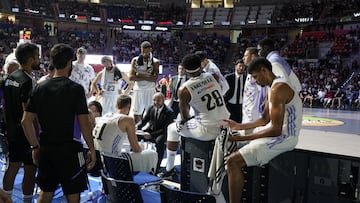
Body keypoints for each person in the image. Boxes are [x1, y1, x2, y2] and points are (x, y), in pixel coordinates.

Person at [21, 43, 96, 203]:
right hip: (72, 151)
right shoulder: (76, 89)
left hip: (47, 149)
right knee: (73, 195)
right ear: (70, 62)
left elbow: (26, 122)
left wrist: (35, 146)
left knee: (45, 192)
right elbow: (84, 124)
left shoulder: (39, 88)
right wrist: (91, 149)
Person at [224, 58, 303, 203]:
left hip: (286, 137)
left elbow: (276, 130)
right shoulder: (270, 87)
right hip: (276, 131)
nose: (254, 80)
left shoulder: (278, 89)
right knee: (237, 144)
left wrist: (239, 139)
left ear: (264, 71)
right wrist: (238, 126)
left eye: (255, 76)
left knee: (232, 162)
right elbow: (264, 119)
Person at [158, 54, 230, 179]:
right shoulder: (212, 75)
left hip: (208, 130)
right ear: (201, 65)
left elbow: (185, 115)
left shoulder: (184, 89)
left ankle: (169, 170)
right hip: (227, 124)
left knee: (172, 128)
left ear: (185, 70)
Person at [3, 42, 40, 203]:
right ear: (31, 59)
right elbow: (28, 114)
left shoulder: (10, 78)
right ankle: (26, 201)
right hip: (24, 132)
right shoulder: (27, 81)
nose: (39, 59)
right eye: (37, 56)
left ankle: (5, 198)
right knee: (30, 169)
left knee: (13, 165)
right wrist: (35, 142)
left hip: (10, 129)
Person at [93, 94, 158, 174]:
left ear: (116, 105)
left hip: (97, 157)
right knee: (152, 153)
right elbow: (136, 148)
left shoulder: (106, 115)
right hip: (111, 160)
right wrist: (142, 147)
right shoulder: (128, 120)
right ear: (129, 107)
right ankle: (148, 180)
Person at [137, 92, 174, 171]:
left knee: (159, 141)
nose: (155, 102)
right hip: (152, 130)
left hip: (162, 133)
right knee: (135, 136)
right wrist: (137, 127)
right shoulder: (151, 108)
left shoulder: (169, 112)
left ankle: (157, 166)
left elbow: (165, 129)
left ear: (163, 100)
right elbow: (144, 121)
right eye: (154, 100)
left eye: (158, 100)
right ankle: (137, 161)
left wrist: (151, 135)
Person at [129, 41, 160, 123]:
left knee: (150, 115)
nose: (145, 54)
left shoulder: (155, 62)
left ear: (150, 50)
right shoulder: (135, 60)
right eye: (143, 52)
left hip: (150, 90)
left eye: (146, 52)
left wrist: (140, 75)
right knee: (136, 116)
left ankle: (149, 132)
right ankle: (137, 132)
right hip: (138, 90)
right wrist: (147, 76)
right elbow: (131, 77)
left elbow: (154, 79)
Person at [242, 47, 266, 126]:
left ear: (252, 57)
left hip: (253, 116)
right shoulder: (250, 71)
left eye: (245, 56)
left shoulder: (259, 72)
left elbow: (264, 92)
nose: (243, 58)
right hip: (247, 113)